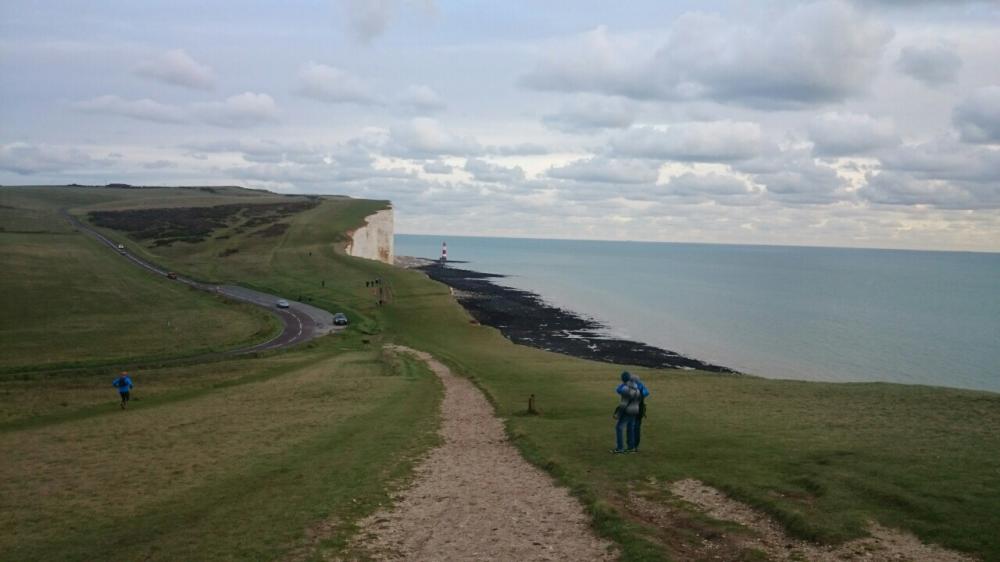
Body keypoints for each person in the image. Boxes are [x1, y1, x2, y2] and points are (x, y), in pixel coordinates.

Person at [612, 371, 641, 454]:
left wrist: (618, 414)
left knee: (619, 428)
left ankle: (620, 448)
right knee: (630, 428)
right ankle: (631, 448)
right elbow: (638, 400)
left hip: (627, 411)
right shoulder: (637, 389)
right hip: (635, 410)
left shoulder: (625, 389)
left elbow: (623, 404)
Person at [629, 373, 650, 451]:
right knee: (637, 428)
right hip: (639, 411)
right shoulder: (641, 386)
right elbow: (646, 392)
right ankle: (635, 446)